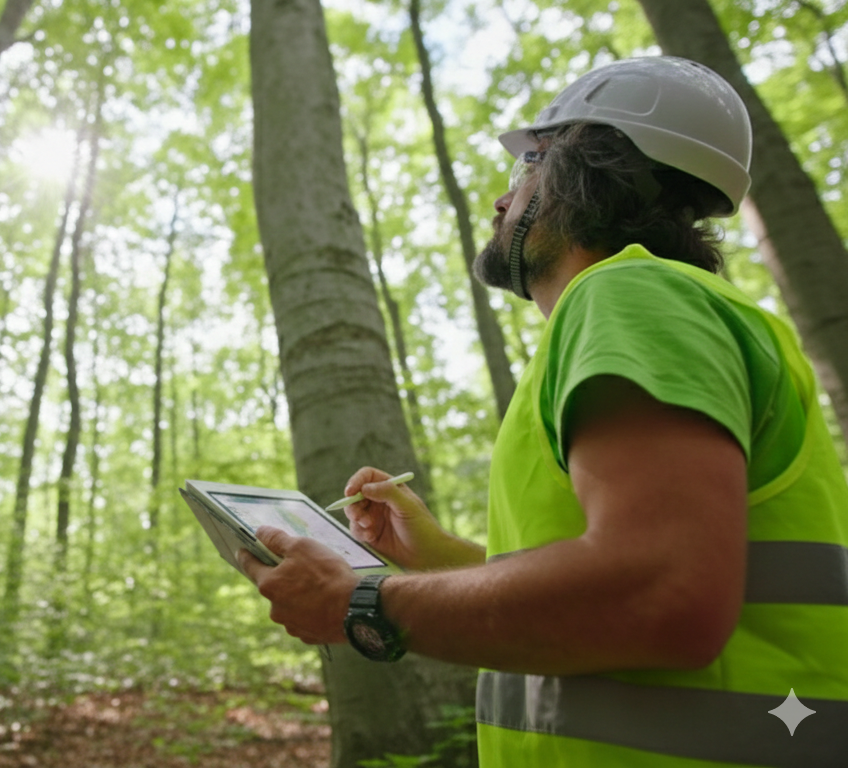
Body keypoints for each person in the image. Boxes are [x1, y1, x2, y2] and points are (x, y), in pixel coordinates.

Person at [237, 56, 848, 766]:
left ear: (581, 168)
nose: (501, 199)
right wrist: (437, 561)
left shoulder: (628, 294)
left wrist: (360, 602)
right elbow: (624, 573)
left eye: (528, 166)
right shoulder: (661, 310)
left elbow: (659, 591)